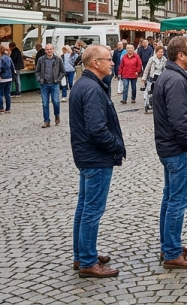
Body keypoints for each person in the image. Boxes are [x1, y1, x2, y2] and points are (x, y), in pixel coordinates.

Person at [69, 44, 125, 278]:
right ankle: (88, 262)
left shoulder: (86, 84)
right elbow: (97, 129)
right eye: (108, 59)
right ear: (95, 63)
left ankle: (82, 255)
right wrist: (117, 146)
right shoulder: (91, 88)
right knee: (92, 210)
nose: (112, 63)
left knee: (84, 208)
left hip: (88, 156)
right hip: (96, 157)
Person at [152, 36, 187, 269]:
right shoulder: (175, 80)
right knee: (177, 202)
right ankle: (172, 253)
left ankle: (169, 245)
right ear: (180, 55)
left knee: (170, 198)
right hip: (179, 149)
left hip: (171, 148)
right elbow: (179, 121)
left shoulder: (172, 76)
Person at [35, 44, 65, 127]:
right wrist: (39, 79)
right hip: (44, 84)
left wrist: (58, 79)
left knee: (56, 102)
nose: (49, 51)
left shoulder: (58, 59)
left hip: (54, 84)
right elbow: (37, 71)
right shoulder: (41, 59)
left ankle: (57, 115)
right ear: (45, 50)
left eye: (50, 49)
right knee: (45, 103)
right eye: (47, 49)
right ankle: (46, 121)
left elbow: (63, 71)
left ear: (53, 50)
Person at [0, 47, 16, 116]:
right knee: (7, 93)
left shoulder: (1, 58)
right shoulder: (9, 58)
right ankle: (8, 109)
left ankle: (1, 108)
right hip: (9, 78)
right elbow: (13, 68)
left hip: (2, 78)